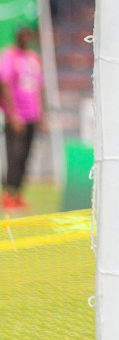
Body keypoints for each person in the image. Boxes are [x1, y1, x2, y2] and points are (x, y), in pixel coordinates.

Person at [0, 24, 44, 212]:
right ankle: (8, 193)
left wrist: (42, 113)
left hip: (33, 115)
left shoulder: (34, 58)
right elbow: (5, 84)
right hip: (16, 117)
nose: (25, 38)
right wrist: (13, 114)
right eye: (22, 35)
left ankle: (18, 193)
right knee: (14, 155)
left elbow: (40, 87)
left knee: (26, 155)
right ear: (17, 36)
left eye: (28, 35)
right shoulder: (9, 56)